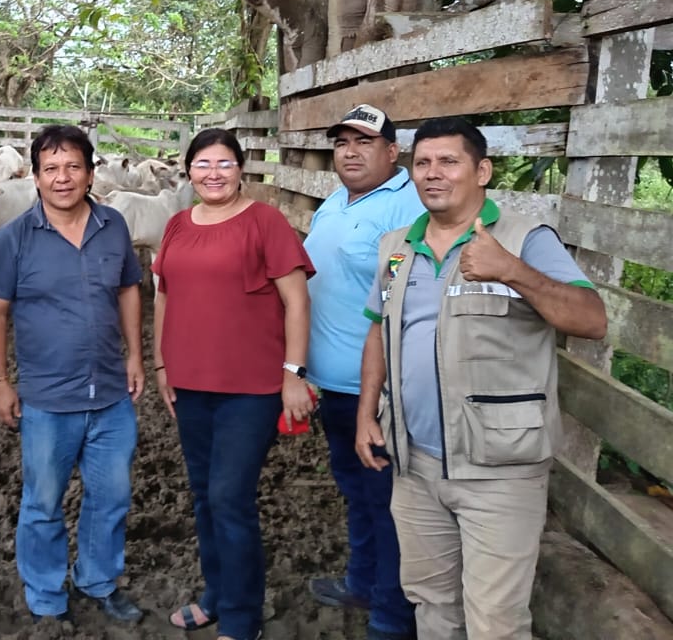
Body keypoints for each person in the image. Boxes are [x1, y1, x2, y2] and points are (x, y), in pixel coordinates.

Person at [355, 117, 607, 640]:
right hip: (414, 465)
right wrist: (365, 413)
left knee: (495, 622)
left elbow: (591, 320)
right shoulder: (396, 248)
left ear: (482, 170)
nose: (433, 174)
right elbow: (379, 330)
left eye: (449, 162)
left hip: (499, 470)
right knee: (432, 604)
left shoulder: (524, 239)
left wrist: (511, 270)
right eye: (422, 163)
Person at [153, 128, 315, 640]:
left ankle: (243, 619)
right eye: (203, 164)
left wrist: (293, 374)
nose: (213, 173)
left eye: (224, 163)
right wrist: (161, 365)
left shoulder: (265, 222)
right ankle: (215, 596)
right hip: (190, 384)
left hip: (251, 388)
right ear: (189, 171)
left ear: (241, 169)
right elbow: (163, 296)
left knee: (229, 496)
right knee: (204, 494)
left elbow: (297, 301)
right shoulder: (178, 224)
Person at [0, 124, 146, 626]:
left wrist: (136, 354)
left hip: (111, 394)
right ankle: (47, 589)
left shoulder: (113, 225)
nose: (62, 177)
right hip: (48, 399)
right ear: (34, 177)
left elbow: (128, 291)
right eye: (51, 168)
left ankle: (97, 579)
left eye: (73, 166)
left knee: (112, 496)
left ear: (92, 173)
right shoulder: (14, 239)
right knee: (43, 500)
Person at [303, 105, 424, 640]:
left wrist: (379, 391)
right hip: (331, 382)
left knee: (385, 500)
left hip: (372, 388)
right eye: (342, 142)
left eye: (365, 142)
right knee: (355, 490)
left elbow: (400, 294)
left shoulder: (407, 208)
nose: (350, 152)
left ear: (392, 153)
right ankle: (362, 581)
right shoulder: (333, 202)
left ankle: (391, 616)